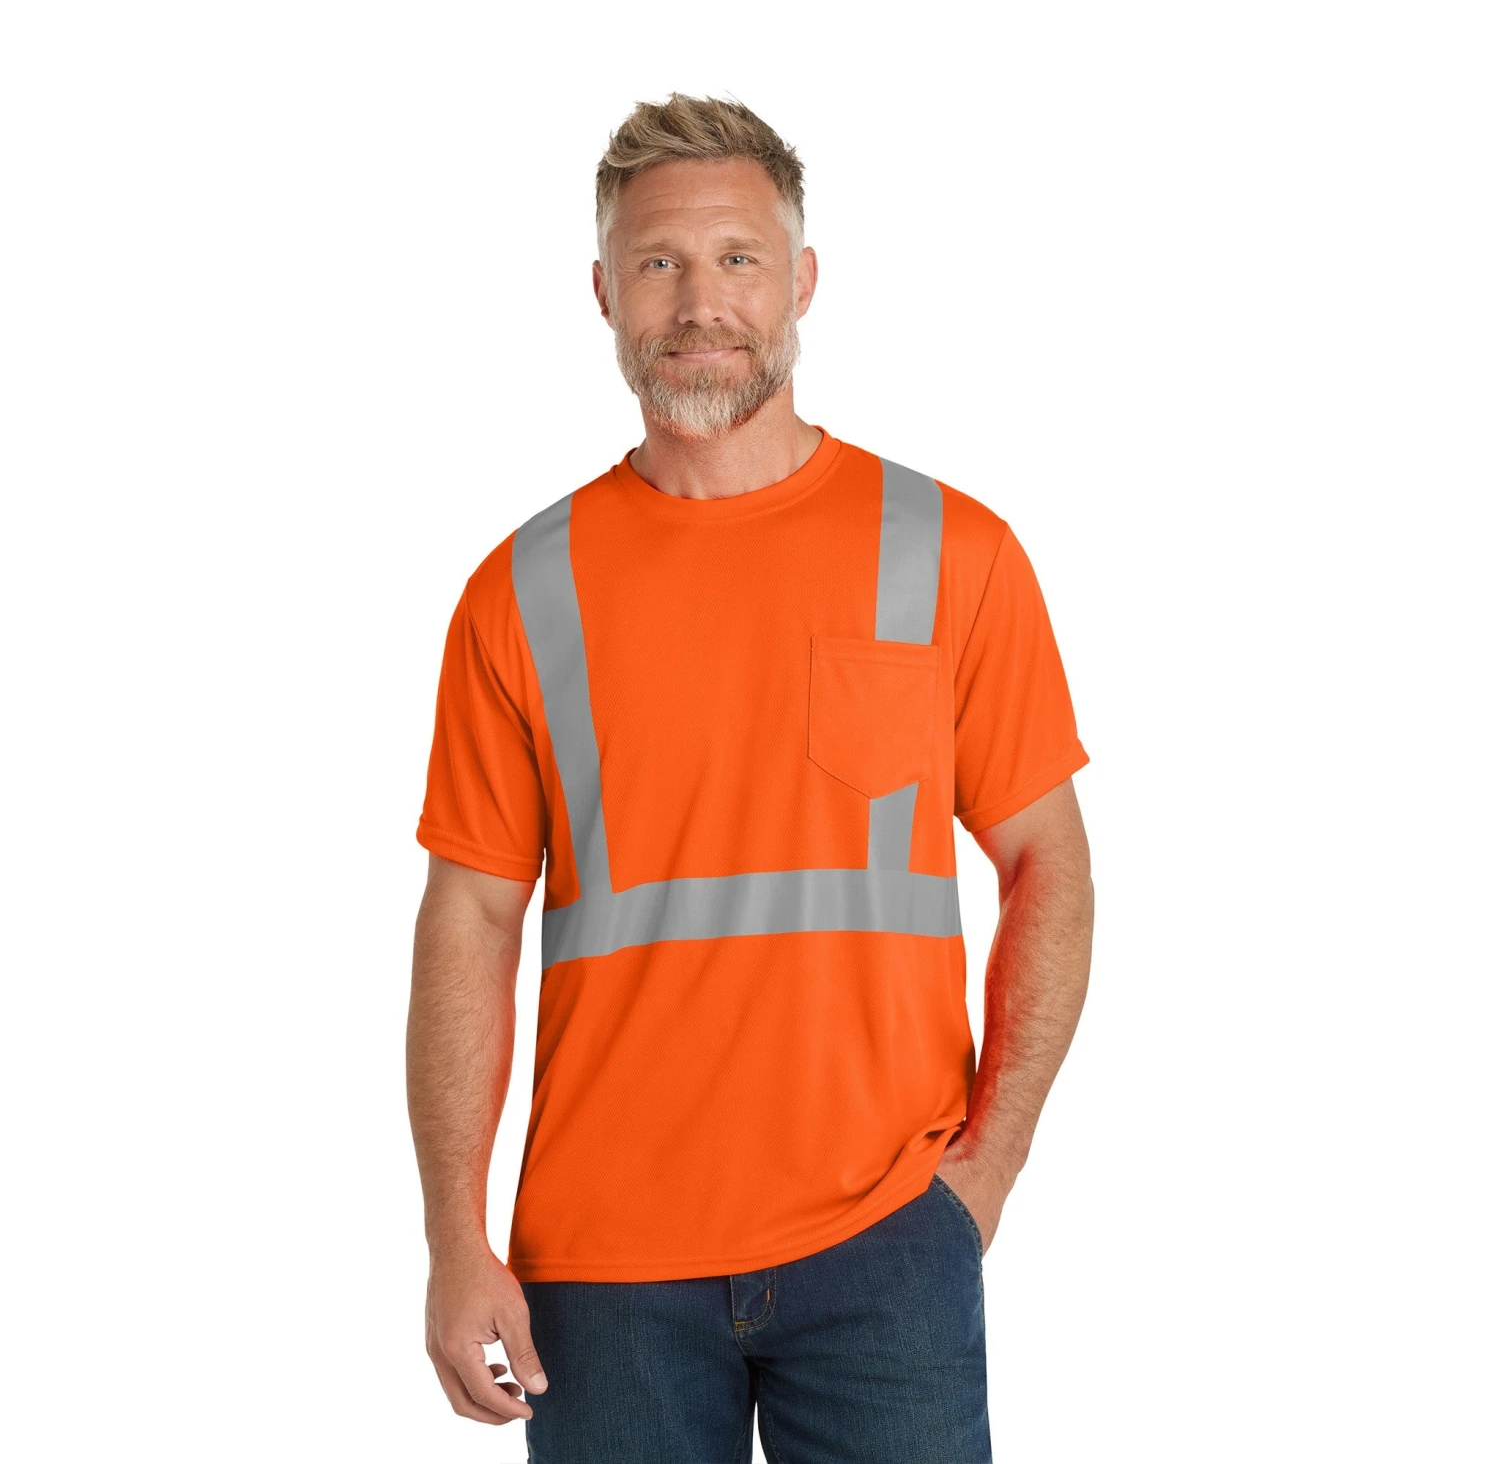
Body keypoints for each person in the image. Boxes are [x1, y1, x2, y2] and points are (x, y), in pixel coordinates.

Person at [406, 93, 1094, 1464]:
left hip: (887, 1240)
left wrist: (986, 1172)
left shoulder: (951, 551)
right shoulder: (522, 590)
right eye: (659, 262)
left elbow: (1048, 865)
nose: (699, 301)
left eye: (737, 258)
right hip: (602, 1267)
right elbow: (468, 916)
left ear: (803, 280)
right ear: (604, 293)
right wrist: (452, 1238)